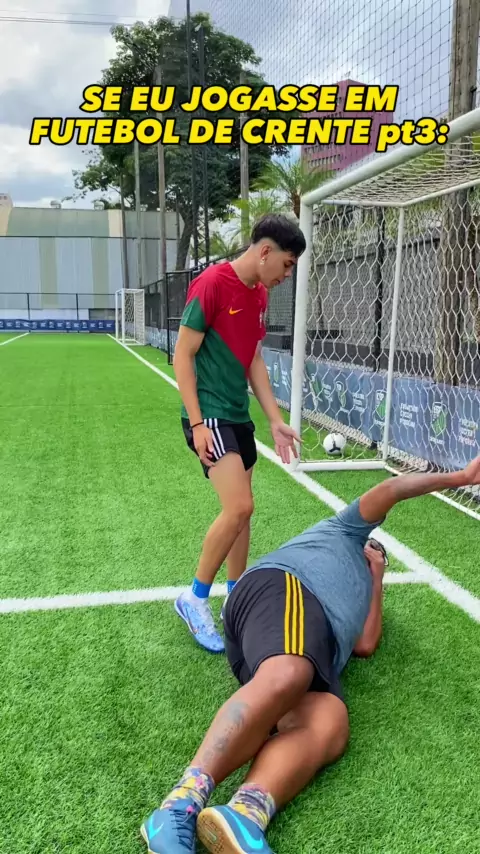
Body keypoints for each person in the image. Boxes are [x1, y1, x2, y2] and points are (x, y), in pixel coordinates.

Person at [140, 457, 480, 854]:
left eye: (380, 552)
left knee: (330, 723)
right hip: (284, 590)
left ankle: (245, 813)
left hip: (313, 647)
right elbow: (391, 490)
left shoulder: (365, 589)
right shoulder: (344, 530)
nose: (373, 550)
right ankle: (178, 805)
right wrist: (460, 478)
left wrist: (376, 578)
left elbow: (366, 645)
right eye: (372, 544)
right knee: (288, 673)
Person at [172, 214, 305, 654]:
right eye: (287, 264)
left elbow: (253, 360)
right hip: (210, 414)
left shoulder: (259, 295)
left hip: (237, 414)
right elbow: (183, 355)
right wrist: (196, 424)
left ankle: (235, 598)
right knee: (239, 505)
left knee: (244, 513)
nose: (287, 275)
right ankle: (194, 599)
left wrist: (274, 419)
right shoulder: (212, 284)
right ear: (265, 251)